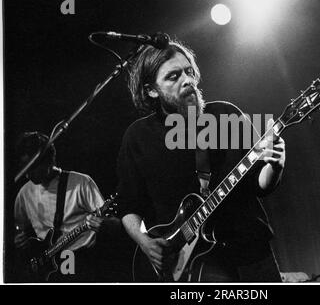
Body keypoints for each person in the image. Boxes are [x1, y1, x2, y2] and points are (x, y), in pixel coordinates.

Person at [117, 36, 286, 282]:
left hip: (249, 252)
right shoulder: (138, 137)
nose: (187, 80)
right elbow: (128, 205)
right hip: (189, 265)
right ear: (151, 90)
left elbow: (260, 185)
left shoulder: (226, 115)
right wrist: (145, 243)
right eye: (173, 76)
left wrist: (276, 163)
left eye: (188, 72)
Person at [14, 131, 117, 282]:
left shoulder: (81, 183)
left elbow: (115, 224)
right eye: (25, 168)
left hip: (82, 262)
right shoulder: (24, 193)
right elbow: (19, 230)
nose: (28, 175)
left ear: (49, 161)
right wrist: (19, 239)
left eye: (33, 168)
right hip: (47, 266)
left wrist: (105, 224)